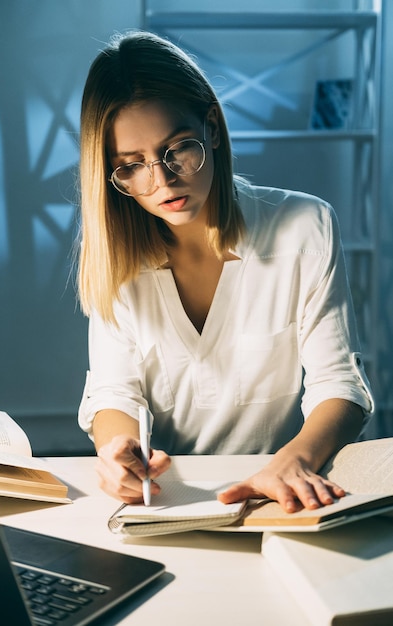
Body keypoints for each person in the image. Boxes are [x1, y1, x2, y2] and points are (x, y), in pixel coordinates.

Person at [77, 30, 374, 514]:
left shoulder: (306, 225)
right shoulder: (118, 257)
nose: (161, 180)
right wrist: (118, 451)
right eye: (131, 165)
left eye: (178, 149)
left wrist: (294, 459)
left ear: (212, 127)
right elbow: (114, 391)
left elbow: (340, 383)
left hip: (285, 492)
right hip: (171, 501)